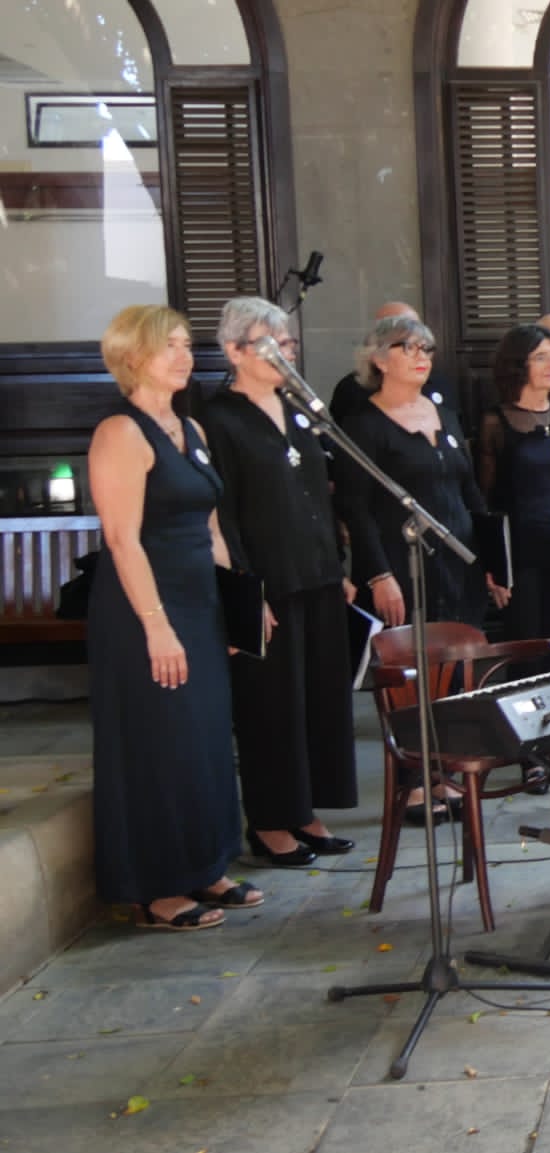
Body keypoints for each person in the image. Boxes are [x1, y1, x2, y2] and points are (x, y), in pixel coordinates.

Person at [89, 305, 262, 930]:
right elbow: (122, 540)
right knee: (160, 742)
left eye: (189, 345)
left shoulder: (190, 428)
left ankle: (206, 866)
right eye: (172, 347)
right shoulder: (120, 432)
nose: (186, 357)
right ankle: (157, 887)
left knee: (205, 739)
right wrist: (157, 626)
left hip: (200, 603)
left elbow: (211, 529)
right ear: (134, 356)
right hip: (144, 609)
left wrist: (239, 607)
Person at [200, 297, 357, 868]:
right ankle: (269, 820)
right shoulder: (218, 418)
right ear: (235, 351)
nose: (286, 352)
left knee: (318, 699)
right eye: (272, 344)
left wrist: (337, 569)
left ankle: (305, 810)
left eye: (288, 342)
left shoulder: (298, 408)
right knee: (271, 706)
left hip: (316, 574)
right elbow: (222, 513)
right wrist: (245, 589)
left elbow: (319, 495)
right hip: (266, 582)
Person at [335, 313, 485, 821]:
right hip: (401, 563)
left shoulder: (444, 413)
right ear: (378, 359)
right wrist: (378, 574)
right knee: (412, 674)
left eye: (427, 348)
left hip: (457, 560)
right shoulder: (363, 424)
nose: (422, 357)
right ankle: (414, 782)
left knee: (453, 670)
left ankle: (446, 771)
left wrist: (490, 559)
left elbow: (468, 489)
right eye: (409, 347)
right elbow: (355, 508)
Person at [477, 325, 550, 676]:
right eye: (541, 357)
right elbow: (486, 499)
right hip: (520, 555)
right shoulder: (495, 421)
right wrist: (492, 566)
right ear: (518, 364)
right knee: (526, 650)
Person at [330, 301, 463, 433]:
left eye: (424, 346)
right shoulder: (351, 390)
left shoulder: (441, 384)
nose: (421, 355)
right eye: (408, 346)